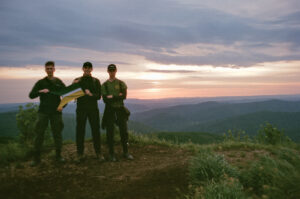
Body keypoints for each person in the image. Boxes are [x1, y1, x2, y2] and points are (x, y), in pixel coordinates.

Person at [29, 61, 66, 166]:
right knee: (39, 134)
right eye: (48, 68)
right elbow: (31, 95)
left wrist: (62, 106)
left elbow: (66, 94)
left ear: (54, 69)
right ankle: (36, 158)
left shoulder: (59, 81)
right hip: (43, 112)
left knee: (57, 134)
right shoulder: (41, 82)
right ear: (45, 70)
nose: (49, 70)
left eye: (51, 68)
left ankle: (58, 156)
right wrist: (40, 91)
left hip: (56, 112)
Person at [73, 62, 104, 162]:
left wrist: (90, 94)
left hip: (93, 110)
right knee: (80, 131)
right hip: (81, 109)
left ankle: (98, 153)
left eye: (89, 68)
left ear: (91, 69)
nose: (87, 69)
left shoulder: (96, 81)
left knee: (96, 131)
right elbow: (72, 95)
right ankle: (79, 154)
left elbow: (99, 96)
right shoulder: (77, 80)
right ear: (82, 69)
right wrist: (74, 85)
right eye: (85, 67)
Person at [102, 64, 133, 161]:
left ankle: (126, 152)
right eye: (110, 70)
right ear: (108, 71)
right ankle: (111, 154)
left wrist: (112, 97)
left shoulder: (121, 83)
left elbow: (124, 96)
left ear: (116, 71)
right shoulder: (104, 85)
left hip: (120, 109)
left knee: (124, 131)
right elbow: (105, 100)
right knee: (110, 132)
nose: (112, 72)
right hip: (110, 110)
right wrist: (117, 96)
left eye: (113, 70)